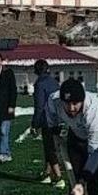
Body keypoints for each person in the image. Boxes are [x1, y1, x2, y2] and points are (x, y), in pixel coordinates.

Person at [31, 59, 63, 188]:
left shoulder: (40, 84)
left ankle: (58, 176)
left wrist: (35, 124)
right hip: (58, 117)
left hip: (47, 119)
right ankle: (47, 173)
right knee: (51, 146)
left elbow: (39, 106)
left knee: (49, 148)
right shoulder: (54, 81)